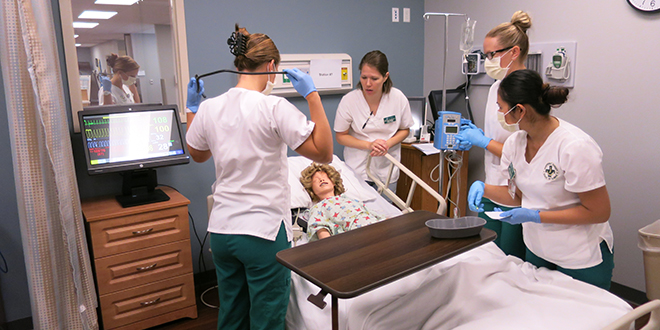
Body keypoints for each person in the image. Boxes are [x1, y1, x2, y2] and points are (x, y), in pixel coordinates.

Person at [185, 24, 333, 330]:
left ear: (239, 65)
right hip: (263, 233)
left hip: (223, 233)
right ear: (271, 68)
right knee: (265, 320)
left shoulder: (210, 108)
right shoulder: (274, 106)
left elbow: (197, 153)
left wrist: (192, 108)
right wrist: (313, 96)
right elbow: (324, 153)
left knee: (231, 314)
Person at [467, 69, 614, 290]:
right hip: (537, 251)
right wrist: (483, 188)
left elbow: (599, 212)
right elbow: (515, 196)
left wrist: (537, 216)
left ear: (520, 111)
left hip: (578, 256)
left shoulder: (574, 147)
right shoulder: (515, 144)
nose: (498, 112)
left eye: (501, 107)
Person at [454, 11, 532, 259]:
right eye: (485, 55)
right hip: (492, 184)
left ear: (514, 52)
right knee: (489, 253)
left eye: (492, 54)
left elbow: (527, 152)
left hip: (517, 190)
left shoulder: (528, 91)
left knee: (511, 259)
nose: (487, 61)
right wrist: (476, 134)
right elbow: (499, 134)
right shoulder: (496, 88)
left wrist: (484, 142)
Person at [334, 50, 414, 193]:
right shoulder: (349, 101)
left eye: (374, 78)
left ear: (385, 77)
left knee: (387, 212)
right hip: (357, 168)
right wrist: (369, 145)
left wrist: (387, 144)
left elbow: (405, 130)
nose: (368, 83)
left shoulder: (398, 98)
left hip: (387, 169)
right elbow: (341, 136)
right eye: (364, 77)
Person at [300, 163, 384, 241]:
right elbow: (320, 228)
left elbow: (370, 213)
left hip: (375, 226)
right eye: (316, 180)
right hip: (356, 235)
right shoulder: (318, 208)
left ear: (333, 182)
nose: (321, 180)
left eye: (325, 178)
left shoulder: (349, 199)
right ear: (311, 188)